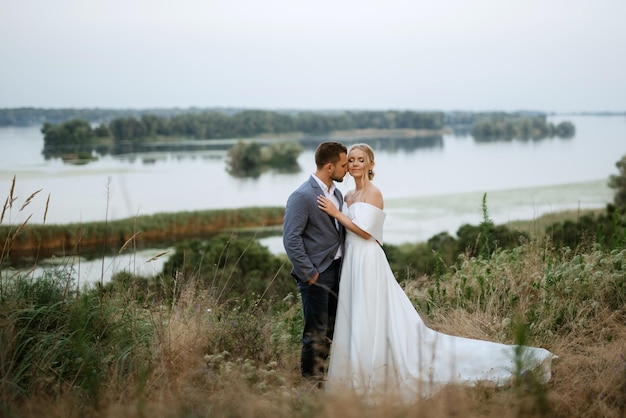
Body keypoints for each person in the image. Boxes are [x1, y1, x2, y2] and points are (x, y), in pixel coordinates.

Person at [317, 143, 556, 403]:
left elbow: (367, 232)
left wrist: (337, 214)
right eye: (350, 160)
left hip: (368, 259)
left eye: (360, 160)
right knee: (356, 314)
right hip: (352, 260)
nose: (354, 164)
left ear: (371, 165)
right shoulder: (347, 195)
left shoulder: (374, 193)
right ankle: (356, 374)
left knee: (372, 312)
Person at [283, 141, 349, 384]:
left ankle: (323, 377)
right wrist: (310, 273)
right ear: (329, 167)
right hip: (316, 274)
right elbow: (291, 239)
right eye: (343, 165)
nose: (347, 169)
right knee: (315, 333)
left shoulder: (337, 194)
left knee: (331, 330)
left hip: (338, 272)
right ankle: (310, 385)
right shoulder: (302, 196)